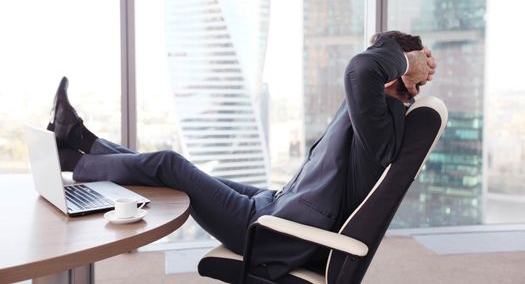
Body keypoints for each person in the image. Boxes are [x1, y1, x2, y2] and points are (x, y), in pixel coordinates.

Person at [47, 30, 435, 280]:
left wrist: (407, 61)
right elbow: (364, 73)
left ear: (392, 73)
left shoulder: (379, 124)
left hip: (271, 234)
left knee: (169, 164)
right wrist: (403, 65)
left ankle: (72, 160)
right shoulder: (377, 118)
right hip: (275, 205)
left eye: (385, 55)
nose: (375, 56)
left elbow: (359, 70)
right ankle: (78, 138)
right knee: (171, 169)